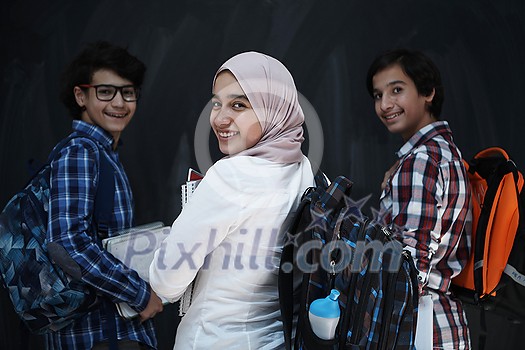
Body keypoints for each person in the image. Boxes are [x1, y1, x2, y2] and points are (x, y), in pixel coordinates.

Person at [149, 51, 315, 349]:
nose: (220, 118)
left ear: (271, 108)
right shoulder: (300, 167)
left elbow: (166, 281)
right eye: (216, 103)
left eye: (238, 104)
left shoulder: (232, 175)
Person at [45, 41, 163, 350]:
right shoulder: (81, 152)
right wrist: (139, 293)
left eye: (128, 92)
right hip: (98, 334)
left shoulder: (102, 153)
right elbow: (67, 243)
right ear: (80, 96)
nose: (120, 103)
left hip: (109, 332)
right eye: (106, 92)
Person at [366, 48, 471, 349]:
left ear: (427, 92)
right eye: (377, 95)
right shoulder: (444, 153)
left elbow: (409, 269)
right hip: (442, 325)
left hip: (420, 329)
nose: (385, 105)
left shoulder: (422, 161)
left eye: (396, 90)